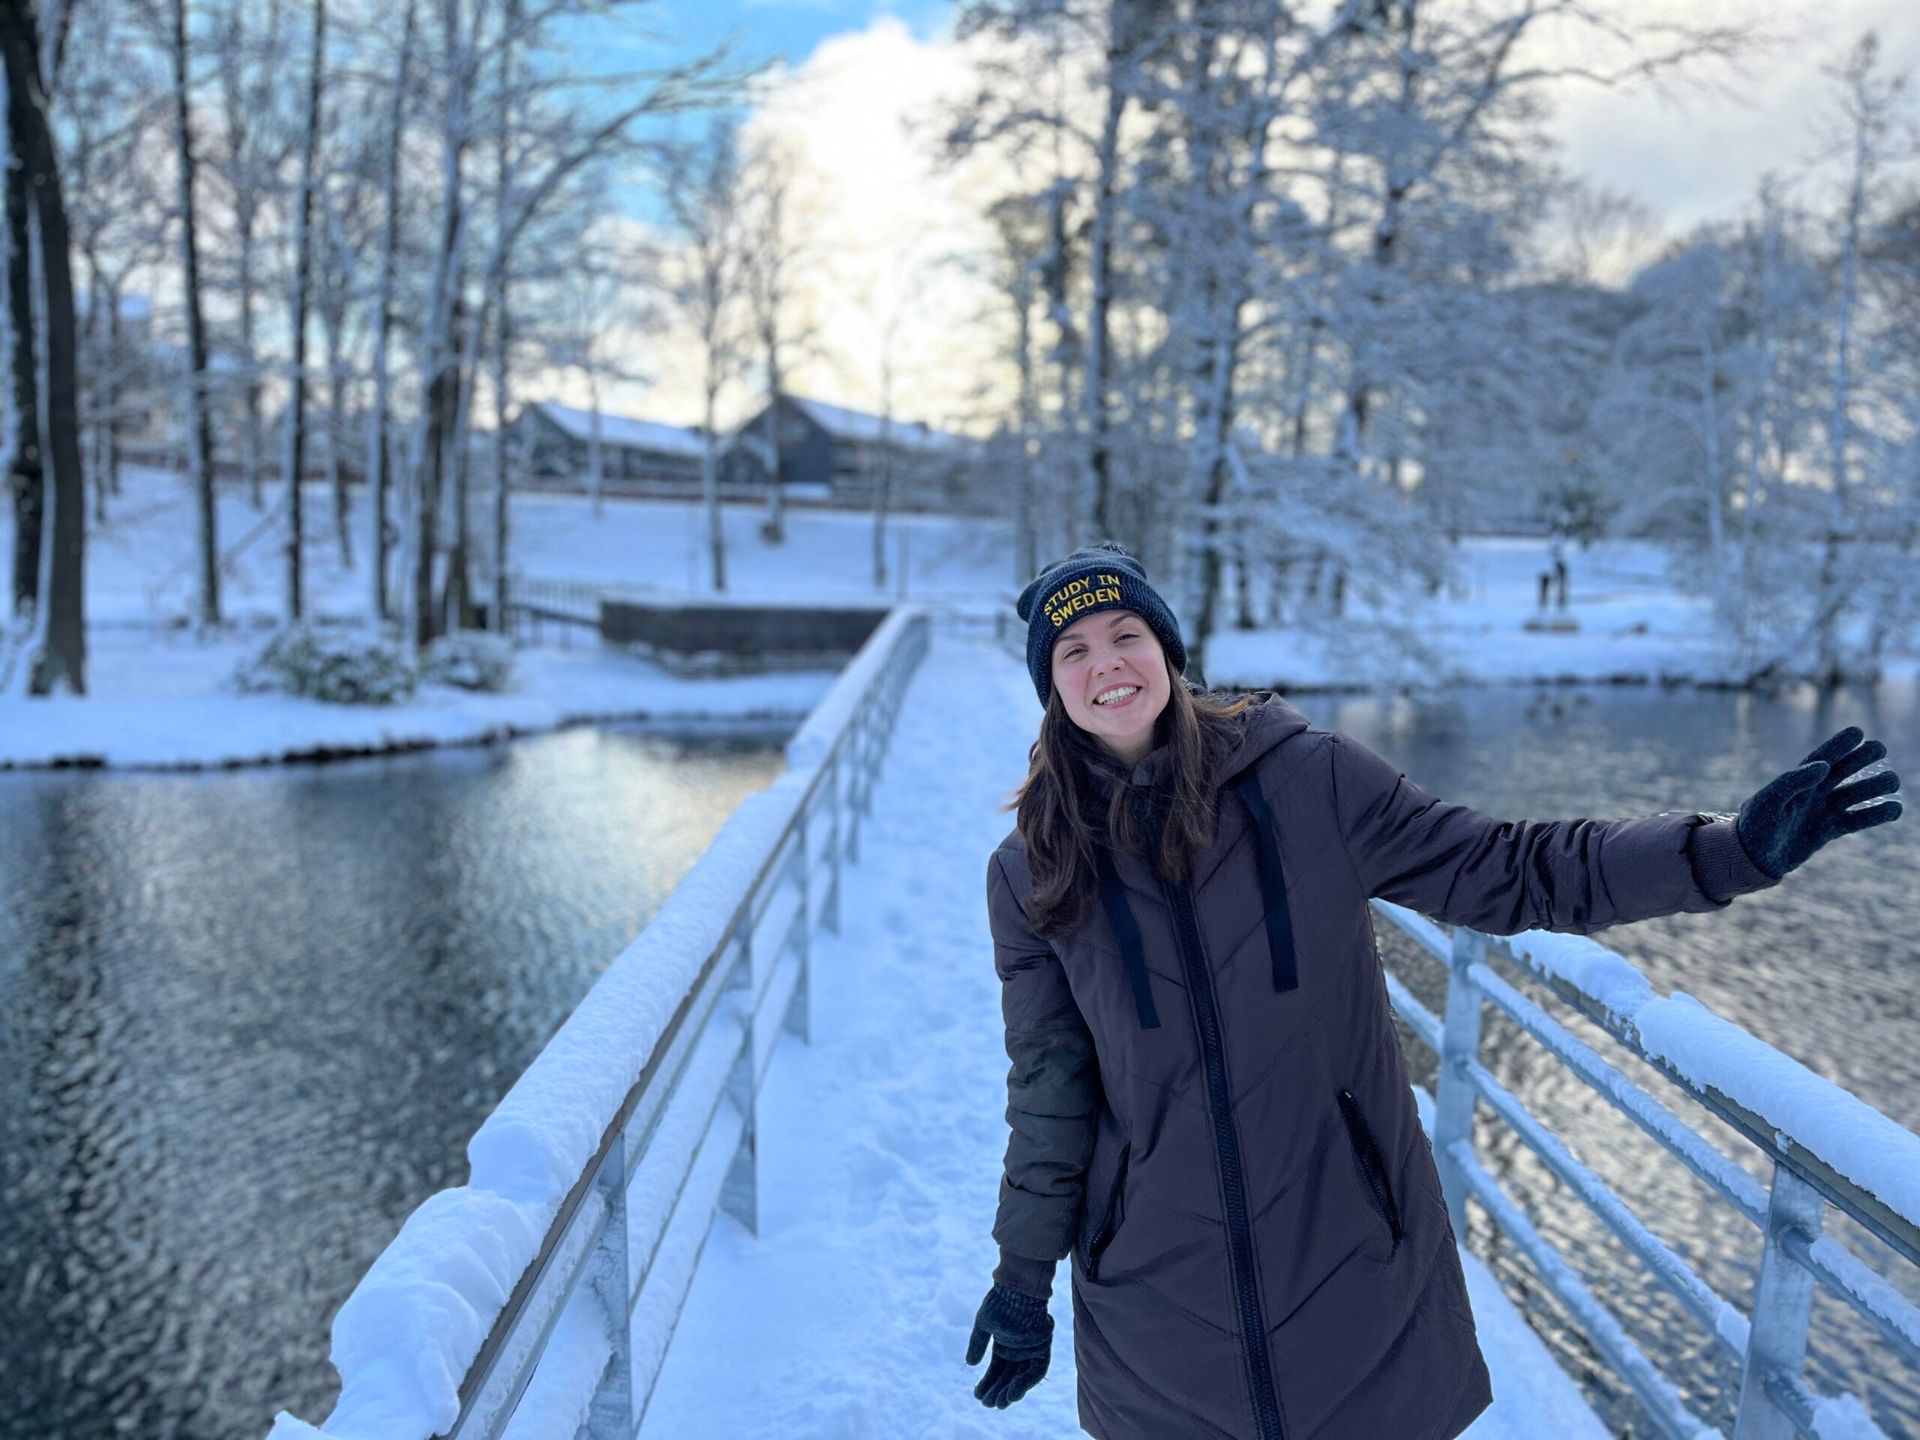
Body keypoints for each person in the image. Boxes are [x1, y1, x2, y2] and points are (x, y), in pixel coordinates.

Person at [962, 542, 1903, 1439]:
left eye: (1127, 634)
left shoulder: (1308, 781)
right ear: (1052, 686)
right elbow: (1051, 1094)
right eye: (1075, 651)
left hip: (1352, 1265)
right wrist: (1022, 1278)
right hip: (1160, 1303)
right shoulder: (1032, 872)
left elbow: (1513, 867)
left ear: (1168, 651)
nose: (1107, 665)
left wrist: (1724, 852)